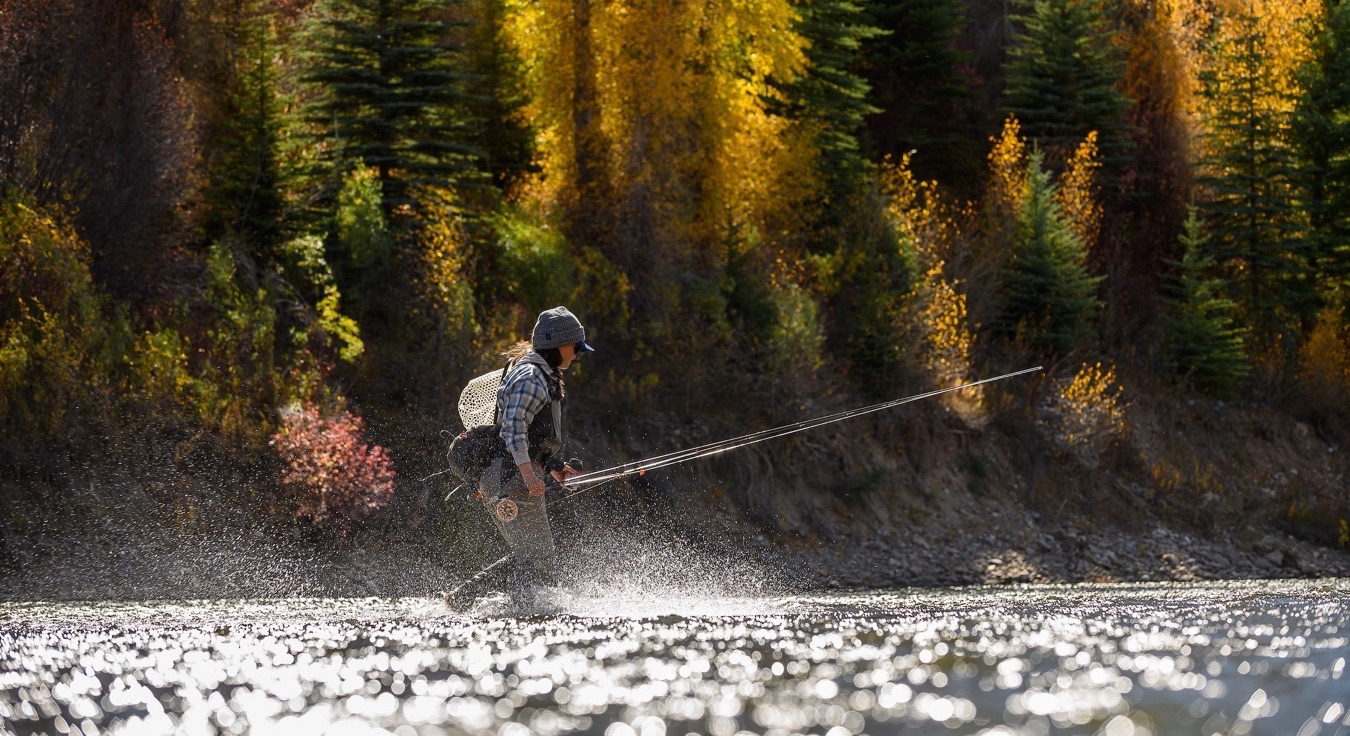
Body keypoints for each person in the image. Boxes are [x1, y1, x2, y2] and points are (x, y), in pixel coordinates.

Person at [445, 306, 593, 607]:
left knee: (533, 557)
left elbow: (531, 434)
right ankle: (504, 609)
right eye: (575, 347)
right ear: (558, 345)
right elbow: (513, 428)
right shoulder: (531, 376)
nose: (577, 353)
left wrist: (553, 467)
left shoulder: (538, 373)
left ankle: (466, 602)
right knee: (538, 560)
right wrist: (528, 474)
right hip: (509, 477)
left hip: (505, 474)